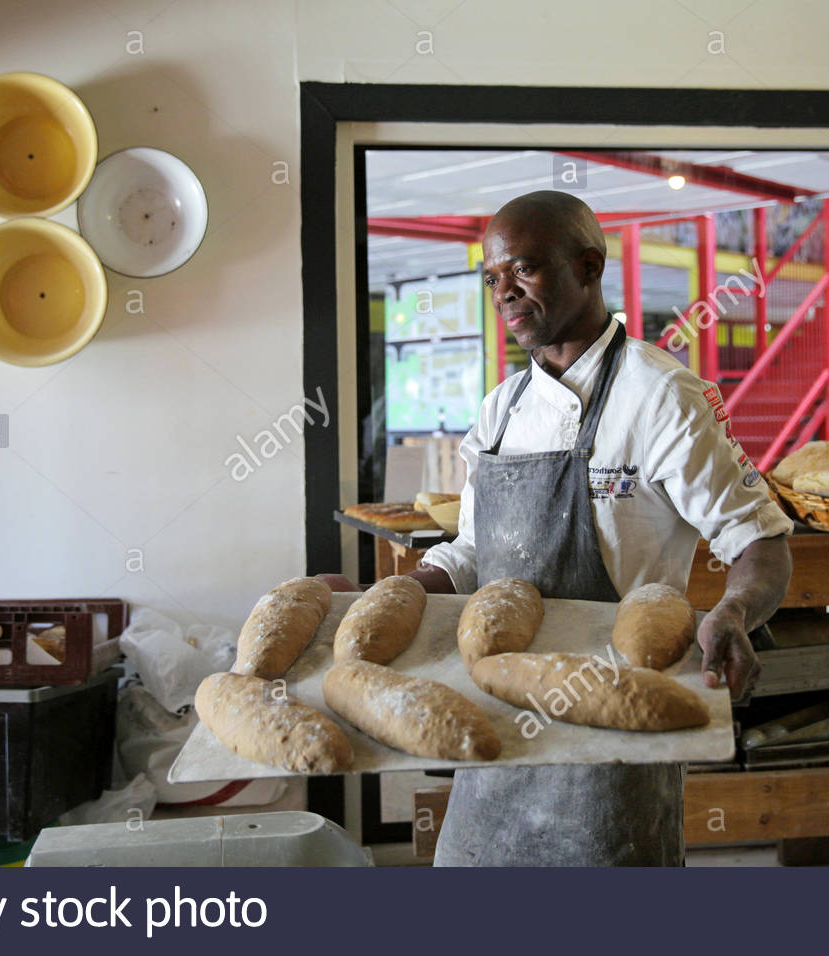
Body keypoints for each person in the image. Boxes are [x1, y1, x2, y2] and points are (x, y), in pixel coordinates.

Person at [326, 190, 793, 866]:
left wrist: (736, 610)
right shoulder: (501, 410)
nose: (505, 292)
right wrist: (382, 597)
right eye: (492, 279)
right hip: (494, 716)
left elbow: (760, 541)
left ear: (589, 268)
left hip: (613, 723)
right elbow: (471, 554)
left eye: (525, 269)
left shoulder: (662, 397)